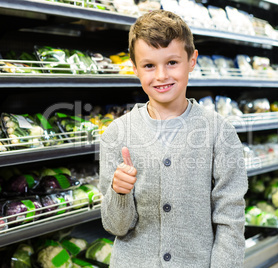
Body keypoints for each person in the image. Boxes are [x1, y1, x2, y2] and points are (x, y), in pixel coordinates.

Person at [99, 9, 248, 267]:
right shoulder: (117, 134)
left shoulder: (219, 132)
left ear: (192, 60)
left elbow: (230, 219)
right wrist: (118, 192)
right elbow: (116, 227)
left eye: (172, 62)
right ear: (135, 69)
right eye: (149, 65)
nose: (161, 75)